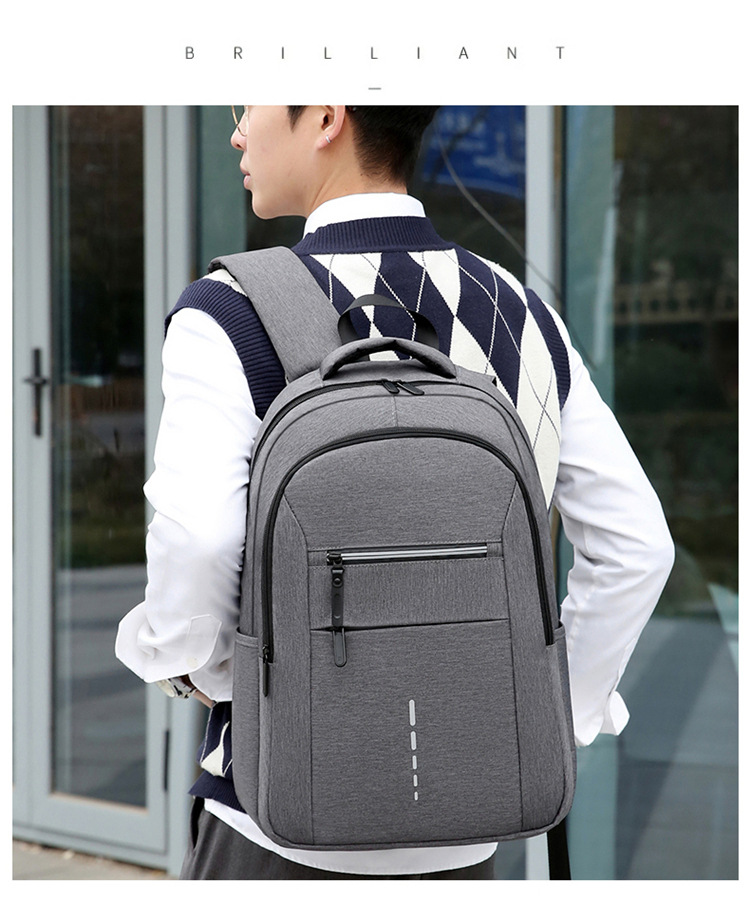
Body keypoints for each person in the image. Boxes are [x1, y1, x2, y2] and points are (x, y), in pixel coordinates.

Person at [115, 105, 674, 880]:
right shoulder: (520, 312)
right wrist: (545, 718)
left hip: (278, 821)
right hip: (470, 831)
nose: (237, 132)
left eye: (249, 103)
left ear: (325, 115)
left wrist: (211, 674)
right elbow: (638, 546)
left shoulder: (229, 312)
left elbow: (200, 540)